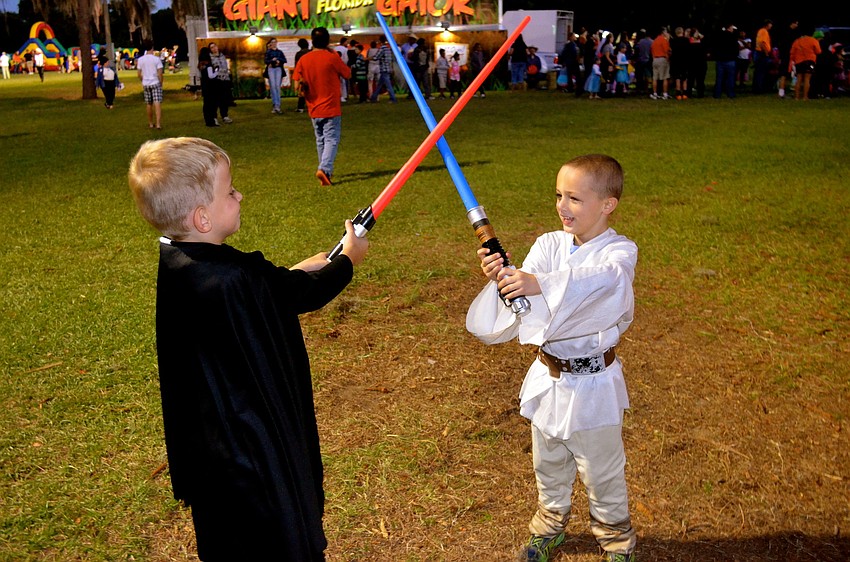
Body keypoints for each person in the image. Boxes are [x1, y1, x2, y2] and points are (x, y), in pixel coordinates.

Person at [127, 136, 368, 562]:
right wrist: (347, 258)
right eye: (230, 191)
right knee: (275, 536)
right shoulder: (234, 278)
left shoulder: (184, 263)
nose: (239, 195)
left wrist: (296, 271)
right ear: (203, 217)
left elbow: (267, 289)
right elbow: (296, 295)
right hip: (253, 447)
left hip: (217, 449)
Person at [466, 154, 638, 562]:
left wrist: (537, 283)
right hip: (549, 381)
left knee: (602, 473)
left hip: (594, 388)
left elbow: (602, 288)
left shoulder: (619, 253)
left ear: (607, 204)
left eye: (575, 198)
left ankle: (617, 543)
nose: (562, 206)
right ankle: (549, 526)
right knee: (550, 464)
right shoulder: (549, 243)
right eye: (559, 195)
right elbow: (523, 309)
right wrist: (503, 278)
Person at [292, 27, 352, 186]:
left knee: (321, 140)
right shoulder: (331, 58)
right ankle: (324, 169)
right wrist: (333, 53)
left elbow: (296, 83)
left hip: (313, 107)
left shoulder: (304, 59)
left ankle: (326, 173)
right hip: (331, 106)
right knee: (331, 139)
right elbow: (347, 73)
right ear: (327, 41)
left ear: (312, 40)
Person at [136, 39, 164, 129]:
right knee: (157, 103)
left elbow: (139, 74)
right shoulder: (156, 59)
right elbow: (160, 73)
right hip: (155, 82)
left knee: (148, 103)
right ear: (152, 47)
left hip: (146, 83)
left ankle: (151, 123)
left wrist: (143, 80)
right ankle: (158, 124)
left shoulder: (140, 60)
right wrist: (161, 82)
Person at [789, 27, 822, 100]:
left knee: (799, 79)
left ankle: (796, 97)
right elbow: (818, 51)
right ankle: (805, 97)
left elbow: (792, 52)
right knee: (807, 79)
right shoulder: (813, 40)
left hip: (798, 62)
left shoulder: (797, 41)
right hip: (810, 61)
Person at [208, 42, 233, 124]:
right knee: (215, 100)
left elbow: (226, 67)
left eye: (215, 46)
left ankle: (225, 115)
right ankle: (214, 117)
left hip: (225, 79)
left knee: (224, 99)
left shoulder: (222, 56)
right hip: (216, 80)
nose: (214, 48)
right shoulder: (210, 58)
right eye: (212, 47)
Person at [713, 24, 739, 99]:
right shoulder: (733, 37)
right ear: (729, 28)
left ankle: (717, 94)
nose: (733, 30)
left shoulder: (719, 36)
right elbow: (736, 48)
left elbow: (716, 47)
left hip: (720, 60)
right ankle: (730, 94)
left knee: (719, 78)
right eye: (732, 28)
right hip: (730, 60)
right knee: (730, 78)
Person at [369, 35, 396, 104]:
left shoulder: (382, 49)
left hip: (384, 68)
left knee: (388, 85)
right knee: (379, 85)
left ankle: (393, 98)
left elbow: (376, 57)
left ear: (380, 41)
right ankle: (373, 97)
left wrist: (367, 58)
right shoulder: (388, 49)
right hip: (388, 68)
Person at [777, 20, 801, 98]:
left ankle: (782, 92)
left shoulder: (784, 33)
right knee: (788, 74)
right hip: (788, 56)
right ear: (792, 23)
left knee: (784, 75)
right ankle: (784, 92)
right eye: (796, 23)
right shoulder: (791, 34)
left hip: (784, 56)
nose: (797, 25)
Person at [197, 47, 220, 127]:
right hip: (211, 86)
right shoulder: (208, 64)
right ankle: (211, 121)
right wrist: (217, 71)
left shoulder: (200, 64)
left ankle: (207, 120)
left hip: (204, 86)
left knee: (206, 104)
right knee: (211, 104)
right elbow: (211, 76)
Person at [264, 38, 287, 114]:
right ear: (270, 43)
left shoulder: (279, 52)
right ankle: (275, 104)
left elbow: (284, 60)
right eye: (272, 42)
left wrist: (278, 59)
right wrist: (272, 60)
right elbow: (266, 61)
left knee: (277, 86)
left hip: (278, 69)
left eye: (275, 42)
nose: (274, 43)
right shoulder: (268, 52)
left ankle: (278, 105)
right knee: (273, 87)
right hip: (271, 69)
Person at [650, 27, 671, 99]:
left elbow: (652, 51)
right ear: (663, 32)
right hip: (662, 59)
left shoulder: (654, 41)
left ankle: (655, 93)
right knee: (665, 77)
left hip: (655, 59)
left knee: (655, 78)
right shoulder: (664, 40)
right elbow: (667, 51)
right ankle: (665, 94)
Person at [753, 19, 773, 93]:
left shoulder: (761, 31)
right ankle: (759, 88)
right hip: (761, 53)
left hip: (760, 53)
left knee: (759, 71)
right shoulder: (764, 31)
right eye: (770, 24)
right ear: (767, 24)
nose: (771, 26)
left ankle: (757, 87)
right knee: (761, 71)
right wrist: (766, 53)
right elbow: (762, 43)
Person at [669, 26, 689, 99]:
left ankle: (678, 93)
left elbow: (671, 50)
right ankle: (685, 93)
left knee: (677, 77)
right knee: (684, 77)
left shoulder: (673, 41)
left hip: (676, 60)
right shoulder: (686, 40)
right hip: (684, 60)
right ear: (682, 32)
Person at [686, 28, 707, 98]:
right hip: (695, 63)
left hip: (697, 63)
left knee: (699, 80)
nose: (698, 33)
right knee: (692, 80)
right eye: (696, 32)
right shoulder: (696, 42)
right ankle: (690, 94)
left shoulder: (692, 42)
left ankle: (699, 94)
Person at [294, 38, 311, 113]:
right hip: (311, 73)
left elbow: (297, 66)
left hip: (303, 74)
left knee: (302, 91)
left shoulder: (299, 54)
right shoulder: (311, 52)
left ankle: (300, 107)